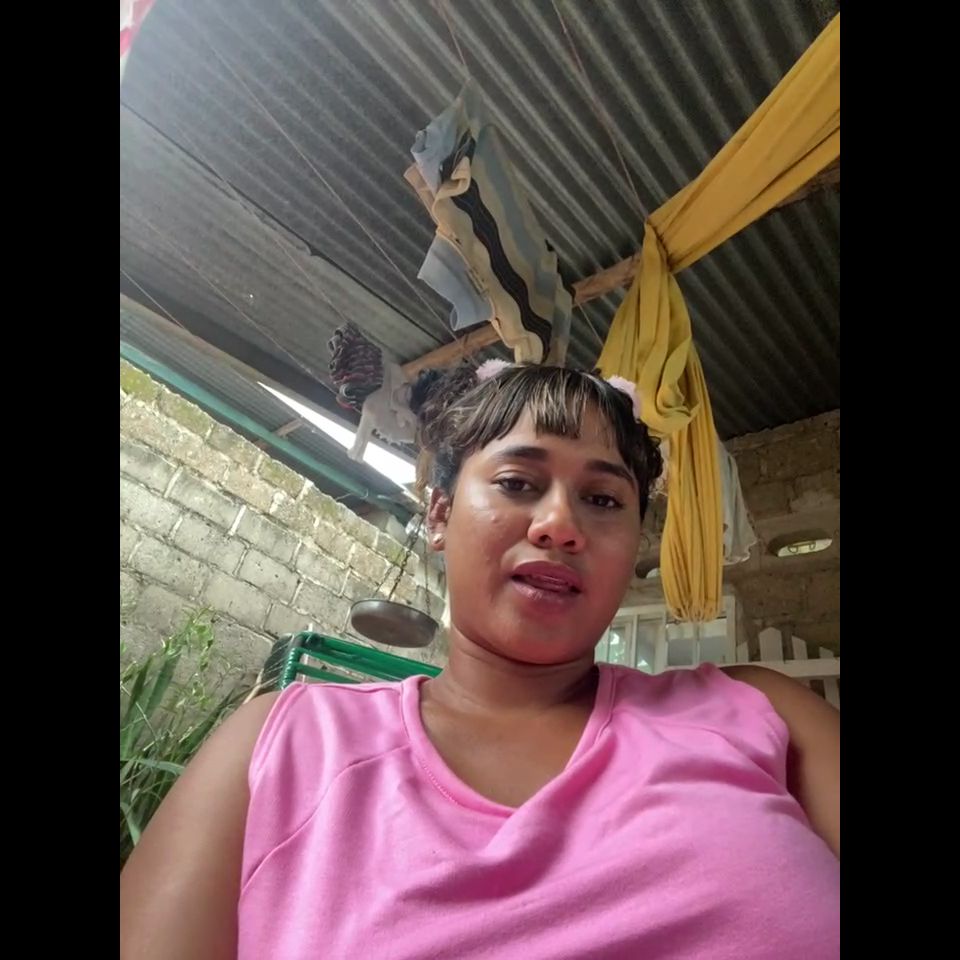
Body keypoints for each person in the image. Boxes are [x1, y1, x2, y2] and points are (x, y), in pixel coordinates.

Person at [121, 364, 840, 959]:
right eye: (518, 483)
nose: (560, 525)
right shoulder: (284, 744)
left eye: (602, 498)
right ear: (438, 515)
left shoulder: (764, 712)